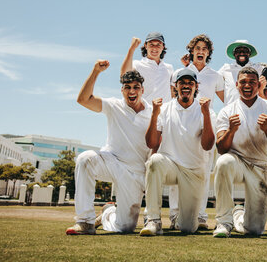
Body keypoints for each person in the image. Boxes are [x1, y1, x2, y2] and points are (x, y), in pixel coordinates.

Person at [66, 60, 152, 235]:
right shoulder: (114, 105)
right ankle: (85, 221)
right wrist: (95, 71)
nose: (132, 91)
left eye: (136, 87)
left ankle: (107, 212)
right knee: (85, 159)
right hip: (111, 161)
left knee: (125, 228)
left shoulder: (153, 112)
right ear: (122, 90)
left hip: (135, 173)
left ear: (142, 90)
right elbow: (83, 99)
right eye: (127, 87)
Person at [140, 70, 215, 235]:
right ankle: (153, 220)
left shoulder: (205, 110)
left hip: (193, 171)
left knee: (188, 227)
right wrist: (154, 113)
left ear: (196, 87)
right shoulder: (165, 109)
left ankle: (182, 219)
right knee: (154, 161)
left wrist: (206, 114)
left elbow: (208, 145)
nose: (186, 86)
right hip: (170, 166)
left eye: (190, 83)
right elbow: (151, 143)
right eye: (182, 83)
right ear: (176, 87)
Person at [212, 67, 267, 237]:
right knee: (223, 162)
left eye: (252, 82)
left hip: (262, 166)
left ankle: (238, 215)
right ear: (236, 85)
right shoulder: (227, 111)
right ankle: (223, 223)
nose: (247, 85)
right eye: (243, 82)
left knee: (254, 230)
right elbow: (221, 149)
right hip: (237, 162)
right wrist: (231, 130)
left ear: (259, 84)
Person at [168, 34, 224, 229]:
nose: (201, 51)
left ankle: (200, 216)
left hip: (206, 121)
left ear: (208, 53)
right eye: (197, 48)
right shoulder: (180, 72)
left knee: (204, 167)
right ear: (191, 51)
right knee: (177, 163)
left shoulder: (215, 75)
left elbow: (228, 101)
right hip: (182, 119)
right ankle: (175, 214)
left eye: (204, 49)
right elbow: (172, 96)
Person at [121, 32, 174, 104]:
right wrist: (132, 49)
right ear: (145, 46)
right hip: (145, 112)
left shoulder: (169, 68)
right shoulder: (137, 64)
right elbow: (123, 75)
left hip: (165, 113)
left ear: (163, 47)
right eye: (151, 44)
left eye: (158, 45)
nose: (154, 48)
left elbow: (173, 92)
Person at [218, 40, 267, 104]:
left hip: (254, 111)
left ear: (249, 54)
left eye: (245, 51)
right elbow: (216, 86)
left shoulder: (259, 68)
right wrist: (227, 102)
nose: (241, 53)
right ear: (234, 54)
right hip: (232, 112)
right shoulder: (225, 69)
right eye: (238, 51)